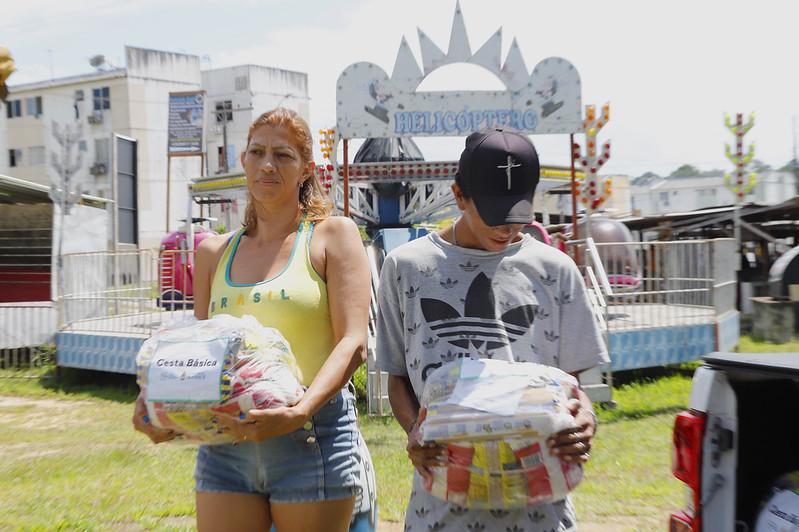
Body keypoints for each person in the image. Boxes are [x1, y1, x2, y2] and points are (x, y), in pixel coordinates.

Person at [133, 108, 372, 532]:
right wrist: (159, 405)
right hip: (226, 447)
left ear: (305, 171)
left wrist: (299, 411)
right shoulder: (212, 253)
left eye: (283, 155)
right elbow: (202, 351)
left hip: (312, 438)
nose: (267, 164)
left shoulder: (333, 236)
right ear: (243, 161)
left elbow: (353, 342)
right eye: (257, 152)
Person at [376, 128, 609, 531]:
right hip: (440, 512)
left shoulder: (556, 272)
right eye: (494, 213)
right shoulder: (406, 268)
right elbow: (398, 378)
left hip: (541, 512)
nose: (507, 229)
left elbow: (573, 388)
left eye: (518, 215)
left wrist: (584, 416)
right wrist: (414, 430)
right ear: (459, 195)